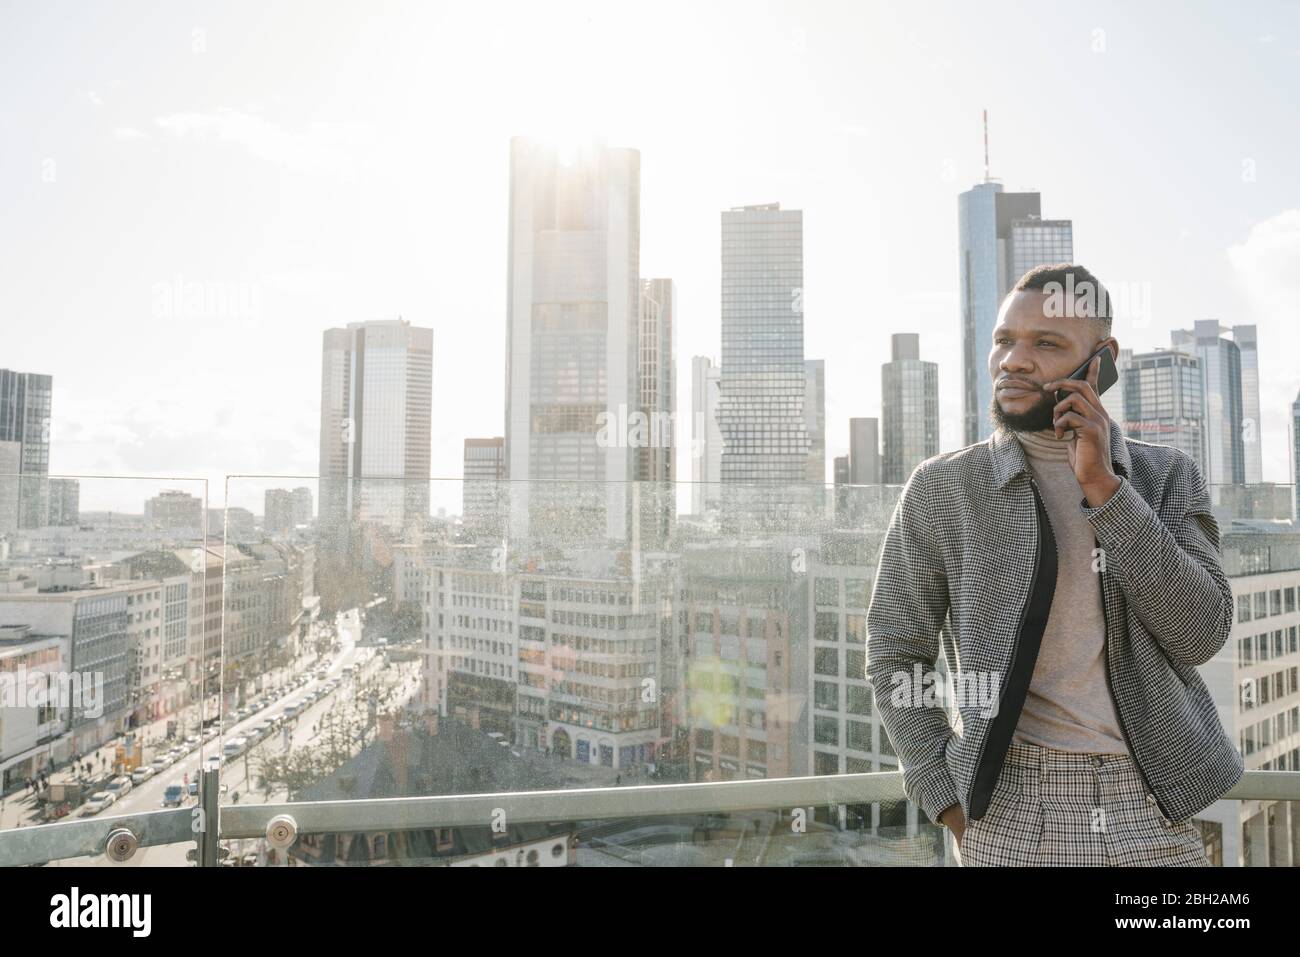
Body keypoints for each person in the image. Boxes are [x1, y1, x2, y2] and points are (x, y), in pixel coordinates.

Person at [867, 264, 1241, 867]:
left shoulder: (1164, 477)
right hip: (1008, 806)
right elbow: (894, 653)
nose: (1013, 360)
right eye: (1004, 340)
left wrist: (1105, 490)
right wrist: (945, 798)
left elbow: (1199, 634)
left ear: (1100, 361)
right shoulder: (945, 487)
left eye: (1045, 344)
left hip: (1150, 805)